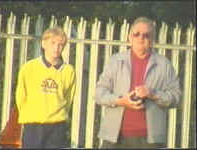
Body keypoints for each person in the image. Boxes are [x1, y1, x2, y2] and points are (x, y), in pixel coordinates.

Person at [95, 17, 181, 148]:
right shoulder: (115, 61)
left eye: (146, 35)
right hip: (114, 139)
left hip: (150, 141)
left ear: (152, 40)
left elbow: (176, 98)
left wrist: (154, 94)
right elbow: (99, 94)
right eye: (137, 34)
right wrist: (120, 101)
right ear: (130, 37)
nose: (141, 38)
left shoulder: (164, 65)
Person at [15, 27, 76, 149]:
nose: (56, 48)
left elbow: (69, 98)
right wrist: (31, 114)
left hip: (57, 126)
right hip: (33, 124)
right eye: (52, 43)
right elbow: (21, 95)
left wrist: (58, 113)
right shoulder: (29, 67)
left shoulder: (69, 70)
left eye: (60, 44)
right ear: (43, 44)